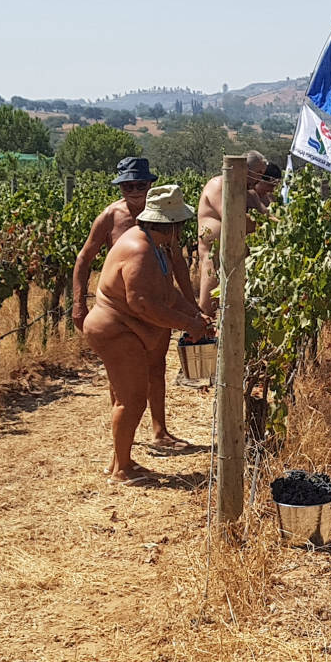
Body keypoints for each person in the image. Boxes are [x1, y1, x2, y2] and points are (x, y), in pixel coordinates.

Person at [81, 184, 213, 484]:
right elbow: (142, 304)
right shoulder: (140, 250)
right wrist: (187, 324)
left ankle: (120, 461)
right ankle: (121, 471)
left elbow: (166, 292)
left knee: (129, 398)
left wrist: (194, 315)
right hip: (115, 331)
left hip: (124, 329)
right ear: (170, 224)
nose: (182, 230)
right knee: (131, 400)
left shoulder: (155, 246)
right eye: (180, 224)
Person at [72, 156, 197, 448]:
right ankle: (123, 442)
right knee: (124, 378)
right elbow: (84, 258)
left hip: (157, 305)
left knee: (156, 368)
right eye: (127, 185)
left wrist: (192, 308)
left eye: (140, 184)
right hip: (125, 310)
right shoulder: (110, 217)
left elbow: (178, 263)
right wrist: (78, 302)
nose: (134, 190)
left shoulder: (165, 219)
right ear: (120, 187)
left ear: (150, 185)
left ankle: (159, 431)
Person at [195, 151, 272, 318]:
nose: (259, 178)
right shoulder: (219, 185)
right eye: (258, 172)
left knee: (234, 315)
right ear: (245, 169)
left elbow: (266, 216)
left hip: (240, 260)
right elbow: (234, 219)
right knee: (208, 311)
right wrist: (264, 223)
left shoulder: (250, 194)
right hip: (215, 259)